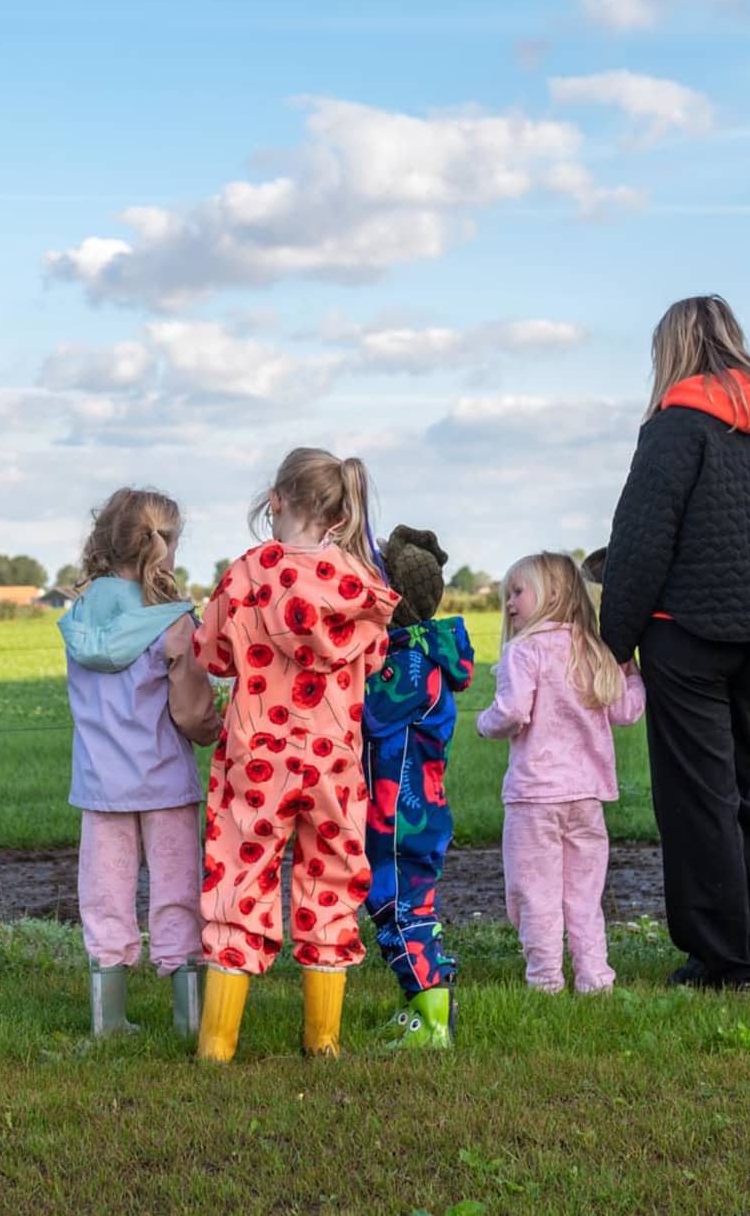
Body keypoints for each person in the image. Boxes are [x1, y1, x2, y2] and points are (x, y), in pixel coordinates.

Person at [599, 294, 750, 990]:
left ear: (671, 350)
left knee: (698, 797)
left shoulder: (675, 429)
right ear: (734, 339)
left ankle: (722, 961)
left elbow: (640, 548)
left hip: (687, 638)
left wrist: (615, 642)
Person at [192, 448, 398, 1062]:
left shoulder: (246, 574)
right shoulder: (362, 587)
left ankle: (217, 1045)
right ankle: (323, 1041)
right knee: (330, 882)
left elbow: (213, 655)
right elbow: (374, 660)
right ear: (338, 517)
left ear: (275, 501)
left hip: (255, 761)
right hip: (332, 761)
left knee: (239, 880)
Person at [59, 488, 220, 1038]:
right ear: (162, 546)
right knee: (176, 896)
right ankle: (190, 1021)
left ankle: (108, 1025)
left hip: (101, 787)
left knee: (104, 899)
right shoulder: (173, 621)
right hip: (165, 785)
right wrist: (217, 731)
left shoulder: (78, 615)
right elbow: (192, 712)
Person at [478, 551, 644, 993]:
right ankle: (595, 977)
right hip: (586, 798)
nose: (509, 602)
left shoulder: (523, 651)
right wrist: (632, 675)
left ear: (551, 595)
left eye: (517, 591)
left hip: (534, 798)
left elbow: (513, 711)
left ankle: (546, 979)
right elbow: (627, 711)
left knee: (534, 893)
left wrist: (483, 722)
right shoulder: (592, 652)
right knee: (585, 894)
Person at [361, 525, 474, 1048]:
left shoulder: (406, 663)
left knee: (397, 905)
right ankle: (418, 1008)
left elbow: (372, 717)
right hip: (414, 812)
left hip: (402, 816)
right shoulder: (425, 653)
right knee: (403, 905)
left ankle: (432, 1018)